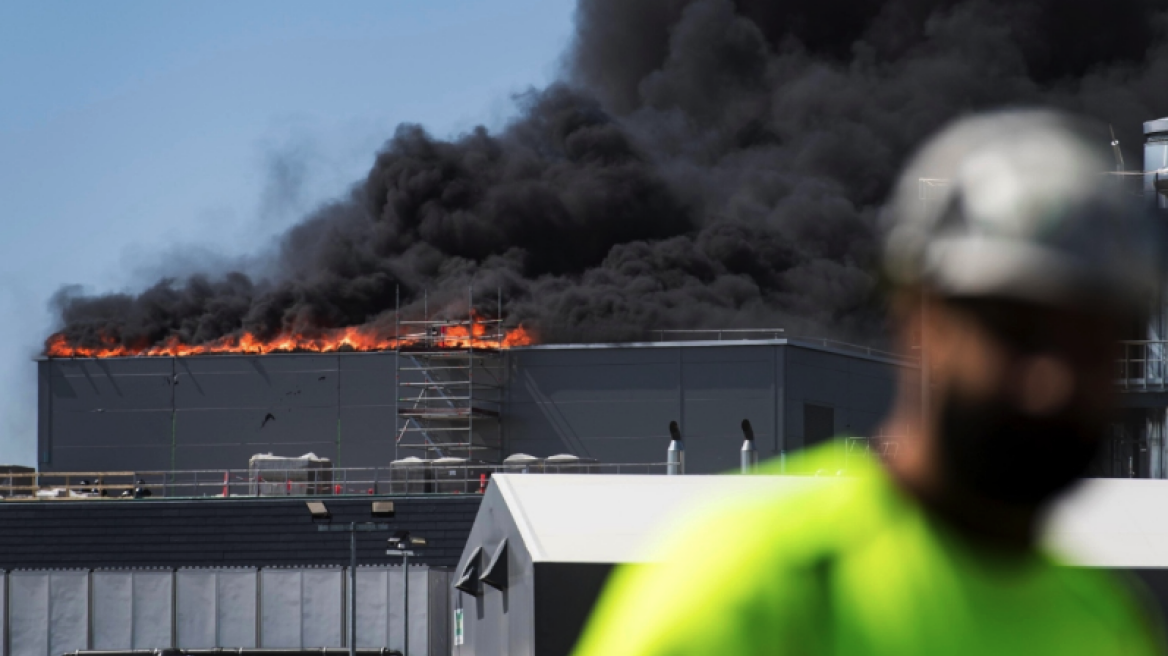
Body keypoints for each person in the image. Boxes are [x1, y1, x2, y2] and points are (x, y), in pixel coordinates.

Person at [571, 110, 1166, 655]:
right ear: (918, 317)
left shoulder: (1107, 624)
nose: (1052, 379)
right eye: (1015, 331)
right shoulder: (754, 580)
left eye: (1091, 341)